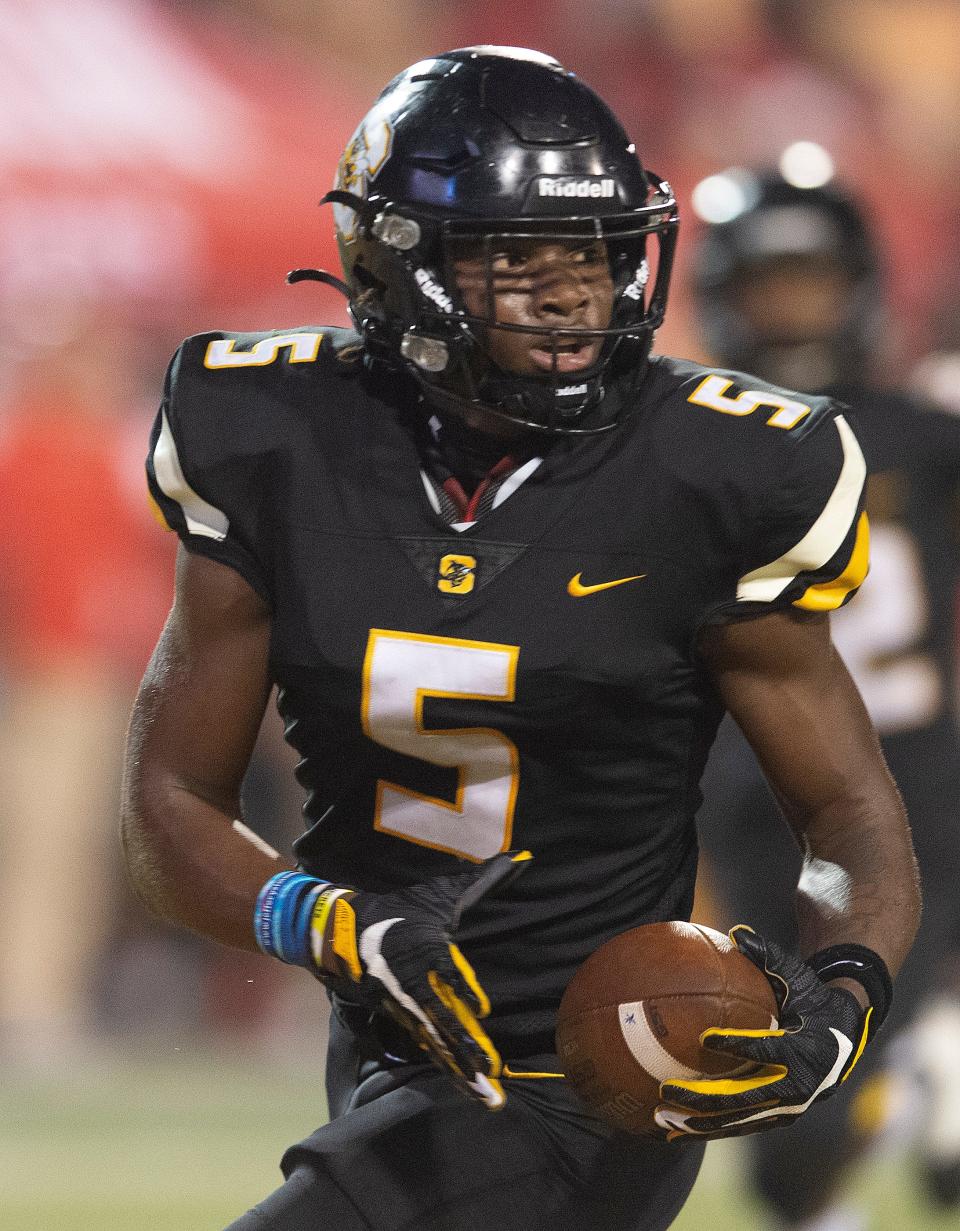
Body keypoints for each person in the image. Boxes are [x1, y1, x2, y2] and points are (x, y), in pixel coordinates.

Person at [121, 49, 920, 1231]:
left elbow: (849, 813)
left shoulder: (721, 469)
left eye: (595, 254)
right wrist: (322, 917)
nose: (571, 293)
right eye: (516, 258)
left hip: (593, 1069)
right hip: (392, 1046)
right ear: (397, 265)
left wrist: (845, 993)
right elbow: (170, 797)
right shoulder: (269, 432)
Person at [691, 162, 960, 1227]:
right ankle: (920, 1087)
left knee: (825, 1083)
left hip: (911, 786)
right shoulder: (682, 440)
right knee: (782, 1125)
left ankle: (926, 1073)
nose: (792, 309)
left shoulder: (921, 429)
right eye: (770, 284)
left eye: (811, 280)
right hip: (755, 796)